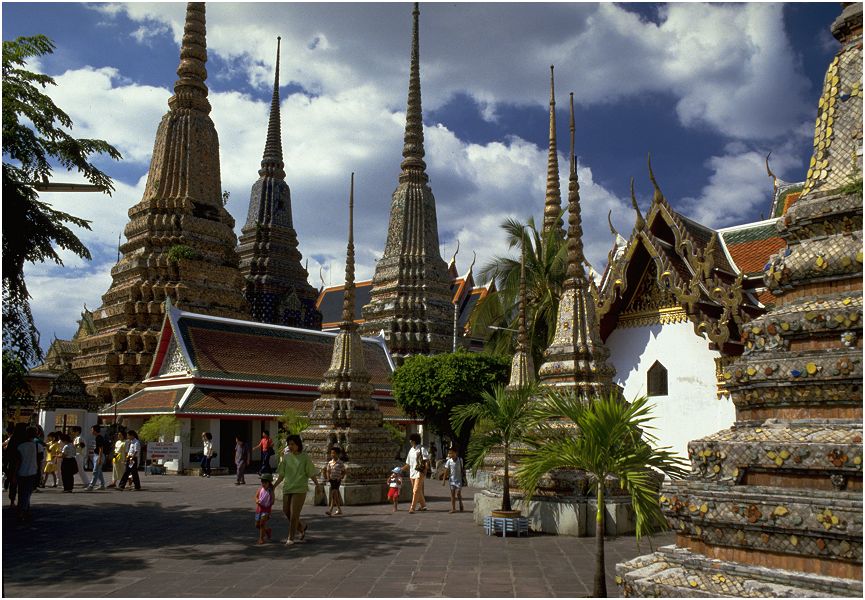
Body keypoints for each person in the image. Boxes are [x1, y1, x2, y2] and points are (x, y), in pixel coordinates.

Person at [272, 434, 320, 546]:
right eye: (289, 444)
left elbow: (311, 473)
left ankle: (291, 537)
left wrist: (317, 485)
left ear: (298, 444)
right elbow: (281, 475)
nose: (290, 446)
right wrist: (273, 486)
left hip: (300, 488)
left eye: (292, 444)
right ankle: (301, 527)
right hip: (288, 487)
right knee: (286, 511)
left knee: (294, 514)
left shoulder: (304, 457)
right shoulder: (286, 457)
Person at [15, 427, 39, 521]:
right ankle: (24, 510)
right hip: (32, 471)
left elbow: (18, 461)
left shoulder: (20, 446)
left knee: (22, 492)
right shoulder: (35, 445)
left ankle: (23, 509)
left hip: (22, 471)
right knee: (27, 492)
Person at [403, 433, 429, 513]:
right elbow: (408, 463)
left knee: (415, 490)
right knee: (418, 490)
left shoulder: (422, 449)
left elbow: (426, 460)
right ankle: (423, 505)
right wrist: (401, 469)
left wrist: (425, 470)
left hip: (419, 472)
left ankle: (412, 508)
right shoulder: (411, 450)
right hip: (412, 473)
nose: (410, 441)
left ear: (413, 441)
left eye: (410, 440)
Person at [441, 447, 465, 513]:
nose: (450, 454)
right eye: (449, 453)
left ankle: (460, 502)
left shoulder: (460, 460)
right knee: (452, 494)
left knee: (458, 493)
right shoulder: (449, 461)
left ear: (456, 453)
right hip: (452, 480)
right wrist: (443, 480)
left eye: (451, 453)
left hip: (459, 480)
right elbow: (446, 471)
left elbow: (462, 469)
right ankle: (453, 508)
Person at [324, 447, 346, 516]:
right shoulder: (330, 462)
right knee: (334, 494)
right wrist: (328, 477)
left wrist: (341, 477)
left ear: (338, 454)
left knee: (333, 493)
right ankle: (339, 509)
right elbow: (328, 471)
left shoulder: (340, 462)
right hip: (331, 480)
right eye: (331, 453)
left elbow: (344, 471)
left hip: (337, 480)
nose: (332, 454)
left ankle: (330, 510)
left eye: (334, 453)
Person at [255, 473, 275, 545]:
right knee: (257, 525)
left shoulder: (270, 491)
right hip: (259, 509)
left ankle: (261, 539)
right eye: (262, 482)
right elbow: (256, 496)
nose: (263, 484)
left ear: (269, 483)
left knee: (262, 524)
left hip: (266, 510)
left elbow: (273, 499)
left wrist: (271, 501)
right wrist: (257, 500)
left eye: (265, 483)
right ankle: (267, 530)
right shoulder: (260, 489)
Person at [86, 425, 108, 491]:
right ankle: (102, 485)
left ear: (95, 430)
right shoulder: (97, 437)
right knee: (99, 471)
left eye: (92, 430)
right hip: (96, 455)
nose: (91, 431)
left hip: (99, 455)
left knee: (95, 471)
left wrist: (100, 458)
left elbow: (101, 448)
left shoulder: (99, 437)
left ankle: (91, 485)